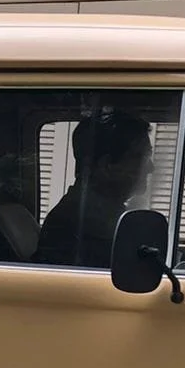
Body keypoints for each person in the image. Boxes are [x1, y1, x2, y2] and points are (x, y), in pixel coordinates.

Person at [33, 109, 154, 268]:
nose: (150, 167)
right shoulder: (84, 223)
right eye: (139, 158)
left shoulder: (102, 212)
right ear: (107, 166)